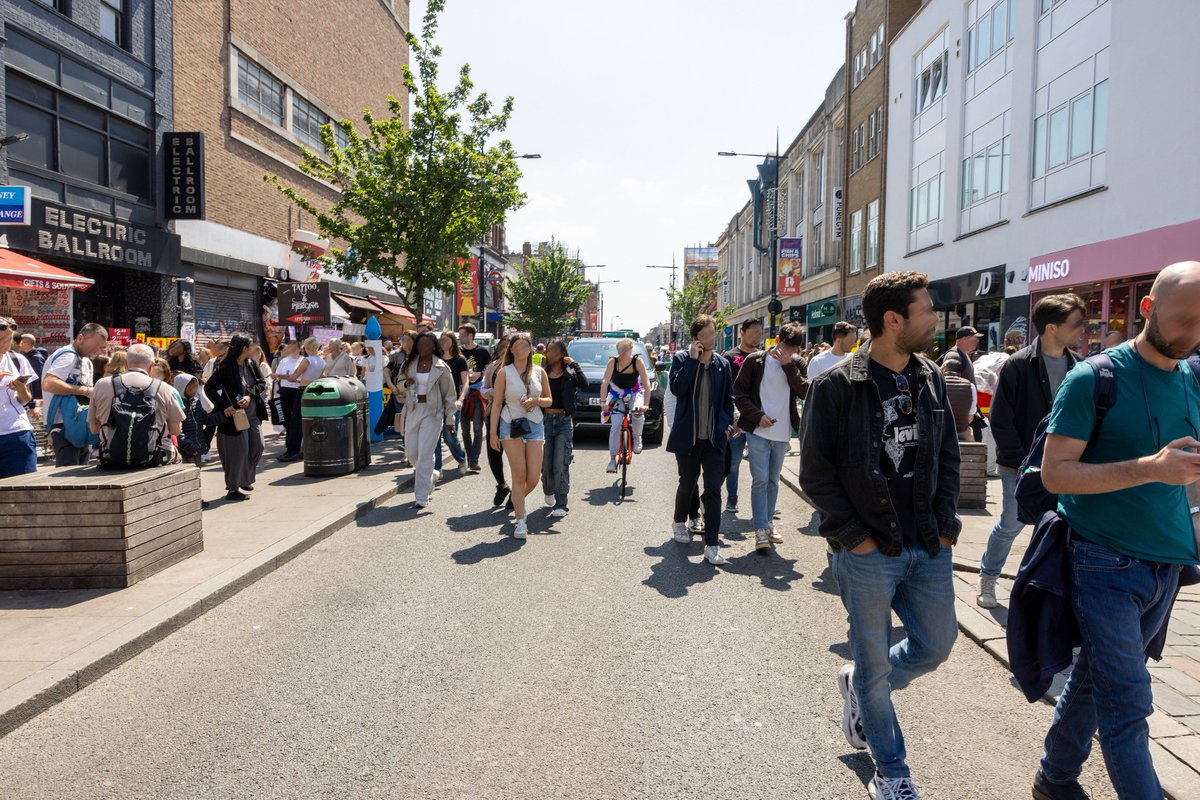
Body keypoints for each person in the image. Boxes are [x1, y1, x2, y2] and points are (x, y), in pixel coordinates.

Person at [1033, 262, 1200, 800]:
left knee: (1094, 679)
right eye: (1184, 321)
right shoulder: (1094, 378)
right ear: (1147, 310)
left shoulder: (1193, 378)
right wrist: (1147, 468)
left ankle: (1054, 777)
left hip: (1168, 561)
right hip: (1101, 561)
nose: (1192, 335)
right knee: (1128, 700)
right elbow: (1055, 474)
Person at [798, 271, 960, 800]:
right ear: (894, 321)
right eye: (926, 311)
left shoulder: (931, 377)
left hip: (928, 545)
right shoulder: (836, 385)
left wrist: (947, 527)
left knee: (936, 646)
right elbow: (816, 475)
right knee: (873, 665)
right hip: (868, 550)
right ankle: (892, 771)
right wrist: (854, 537)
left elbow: (948, 458)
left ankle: (864, 689)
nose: (935, 319)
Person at [978, 294, 1085, 608]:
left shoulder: (1080, 366)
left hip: (1066, 466)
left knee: (1061, 529)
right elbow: (1000, 418)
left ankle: (1049, 594)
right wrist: (1023, 460)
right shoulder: (1018, 364)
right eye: (1076, 323)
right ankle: (988, 576)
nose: (1082, 329)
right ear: (1052, 328)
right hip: (1021, 466)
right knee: (1011, 523)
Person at [667, 315, 736, 565]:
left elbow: (729, 399)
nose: (710, 338)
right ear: (696, 338)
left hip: (715, 439)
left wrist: (727, 425)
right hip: (689, 437)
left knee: (714, 490)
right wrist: (693, 362)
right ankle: (678, 522)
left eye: (712, 333)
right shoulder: (682, 360)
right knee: (687, 482)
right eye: (705, 335)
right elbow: (677, 389)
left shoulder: (722, 365)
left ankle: (712, 543)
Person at [733, 321, 809, 551]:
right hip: (757, 430)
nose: (789, 352)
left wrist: (789, 367)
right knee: (761, 479)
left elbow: (805, 391)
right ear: (777, 340)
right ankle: (760, 530)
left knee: (774, 480)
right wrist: (756, 416)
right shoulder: (754, 361)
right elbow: (739, 393)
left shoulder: (796, 363)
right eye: (786, 347)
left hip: (782, 432)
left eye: (794, 349)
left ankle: (767, 524)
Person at [489, 332, 551, 539]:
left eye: (526, 345)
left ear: (531, 348)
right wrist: (492, 433)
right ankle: (521, 521)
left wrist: (537, 401)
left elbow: (549, 400)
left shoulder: (540, 371)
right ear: (512, 349)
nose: (522, 348)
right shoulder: (504, 372)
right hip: (510, 423)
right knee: (519, 474)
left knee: (533, 477)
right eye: (518, 345)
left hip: (534, 423)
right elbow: (497, 404)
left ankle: (517, 500)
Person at [87, 343, 184, 467]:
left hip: (110, 455)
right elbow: (175, 430)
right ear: (151, 366)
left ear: (126, 364)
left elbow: (94, 428)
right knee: (176, 455)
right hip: (154, 457)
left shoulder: (102, 384)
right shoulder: (164, 388)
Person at [204, 335, 263, 501]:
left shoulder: (250, 364)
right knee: (238, 452)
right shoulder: (227, 366)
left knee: (258, 446)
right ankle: (233, 488)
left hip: (253, 414)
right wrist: (224, 407)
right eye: (251, 346)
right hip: (235, 417)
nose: (254, 348)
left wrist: (250, 396)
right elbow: (209, 388)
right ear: (244, 348)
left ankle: (244, 478)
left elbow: (261, 384)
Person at [402, 331, 457, 509]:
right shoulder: (410, 363)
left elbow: (450, 395)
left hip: (433, 412)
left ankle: (421, 496)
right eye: (419, 345)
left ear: (433, 346)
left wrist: (450, 419)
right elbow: (400, 378)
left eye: (425, 344)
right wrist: (405, 383)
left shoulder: (442, 367)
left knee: (425, 453)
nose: (421, 348)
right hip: (413, 409)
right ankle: (431, 473)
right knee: (411, 453)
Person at [41, 322, 108, 466]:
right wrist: (85, 390)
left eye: (101, 347)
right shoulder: (68, 356)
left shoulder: (85, 360)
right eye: (96, 345)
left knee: (78, 471)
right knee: (69, 475)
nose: (98, 351)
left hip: (78, 422)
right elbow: (49, 383)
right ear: (80, 338)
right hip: (63, 423)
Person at [540, 340, 588, 517]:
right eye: (547, 350)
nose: (548, 353)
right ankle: (548, 489)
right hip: (545, 420)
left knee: (561, 463)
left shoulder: (569, 374)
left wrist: (574, 364)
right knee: (546, 464)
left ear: (561, 354)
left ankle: (561, 504)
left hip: (563, 422)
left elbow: (585, 385)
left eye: (552, 350)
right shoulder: (542, 373)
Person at [722, 319, 764, 514]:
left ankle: (764, 500)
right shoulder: (730, 357)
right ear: (742, 332)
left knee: (761, 463)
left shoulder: (764, 357)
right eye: (754, 332)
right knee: (734, 461)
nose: (758, 336)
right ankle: (732, 498)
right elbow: (724, 389)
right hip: (736, 418)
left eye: (760, 332)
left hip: (759, 419)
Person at [598, 338, 652, 473]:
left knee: (637, 413)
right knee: (615, 425)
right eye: (621, 351)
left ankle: (637, 438)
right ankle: (612, 459)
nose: (624, 354)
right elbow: (605, 382)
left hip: (634, 392)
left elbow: (646, 384)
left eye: (626, 351)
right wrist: (603, 402)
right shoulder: (613, 362)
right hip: (616, 393)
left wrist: (645, 404)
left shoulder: (637, 361)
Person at [0, 318, 38, 478]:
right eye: (1, 340)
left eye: (9, 339)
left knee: (23, 493)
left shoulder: (17, 360)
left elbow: (24, 399)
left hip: (17, 433)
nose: (6, 344)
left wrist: (22, 389)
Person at [278, 337, 325, 462]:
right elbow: (319, 377)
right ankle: (307, 449)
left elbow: (294, 377)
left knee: (296, 421)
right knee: (311, 420)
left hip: (303, 390)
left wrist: (290, 377)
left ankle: (292, 451)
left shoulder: (307, 360)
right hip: (315, 390)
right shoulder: (322, 361)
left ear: (307, 347)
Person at [483, 337, 512, 508]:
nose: (507, 349)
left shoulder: (522, 367)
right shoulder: (493, 366)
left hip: (516, 417)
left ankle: (516, 493)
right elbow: (484, 389)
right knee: (494, 455)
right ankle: (502, 486)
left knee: (515, 458)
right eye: (505, 346)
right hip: (494, 414)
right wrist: (494, 393)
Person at [458, 323, 491, 473]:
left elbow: (489, 369)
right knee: (465, 429)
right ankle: (470, 457)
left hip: (477, 393)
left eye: (462, 334)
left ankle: (474, 460)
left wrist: (480, 374)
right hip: (462, 394)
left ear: (470, 335)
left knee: (478, 427)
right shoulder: (458, 352)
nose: (460, 337)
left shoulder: (482, 351)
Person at [436, 330, 469, 474]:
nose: (443, 343)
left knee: (449, 436)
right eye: (441, 340)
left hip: (453, 402)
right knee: (435, 437)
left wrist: (461, 399)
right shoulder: (436, 359)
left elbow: (465, 382)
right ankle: (437, 468)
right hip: (436, 402)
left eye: (446, 340)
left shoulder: (459, 360)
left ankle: (461, 458)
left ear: (453, 342)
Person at [272, 341, 303, 447]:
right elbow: (276, 375)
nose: (293, 350)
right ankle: (290, 442)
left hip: (297, 391)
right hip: (285, 390)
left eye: (295, 348)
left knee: (294, 418)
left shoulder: (303, 361)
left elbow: (301, 378)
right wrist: (288, 377)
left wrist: (288, 377)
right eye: (291, 348)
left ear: (300, 349)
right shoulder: (284, 361)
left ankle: (293, 444)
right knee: (285, 418)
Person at [17, 334, 48, 401]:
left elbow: (37, 377)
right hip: (33, 393)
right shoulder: (28, 355)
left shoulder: (35, 358)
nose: (18, 344)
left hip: (36, 394)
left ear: (26, 344)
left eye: (20, 342)